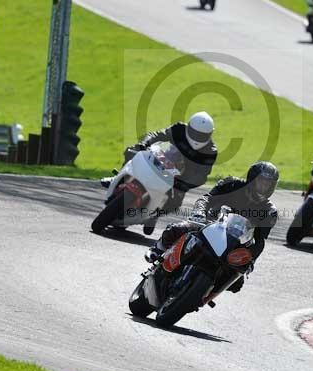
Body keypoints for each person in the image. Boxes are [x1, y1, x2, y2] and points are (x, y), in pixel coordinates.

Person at [146, 161, 280, 293]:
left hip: (235, 243)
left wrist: (250, 260)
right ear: (252, 179)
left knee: (236, 283)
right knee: (176, 229)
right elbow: (206, 199)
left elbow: (260, 240)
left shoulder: (269, 210)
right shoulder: (231, 184)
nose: (264, 186)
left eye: (268, 184)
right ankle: (158, 249)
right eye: (261, 181)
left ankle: (202, 294)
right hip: (209, 223)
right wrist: (199, 213)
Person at [102, 112, 218, 229]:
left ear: (210, 134)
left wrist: (184, 184)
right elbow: (157, 135)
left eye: (202, 135)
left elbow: (202, 175)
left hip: (181, 177)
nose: (197, 138)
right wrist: (144, 143)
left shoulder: (210, 151)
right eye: (195, 133)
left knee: (174, 203)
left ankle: (153, 215)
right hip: (163, 159)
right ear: (188, 127)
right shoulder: (178, 129)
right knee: (132, 151)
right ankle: (118, 177)